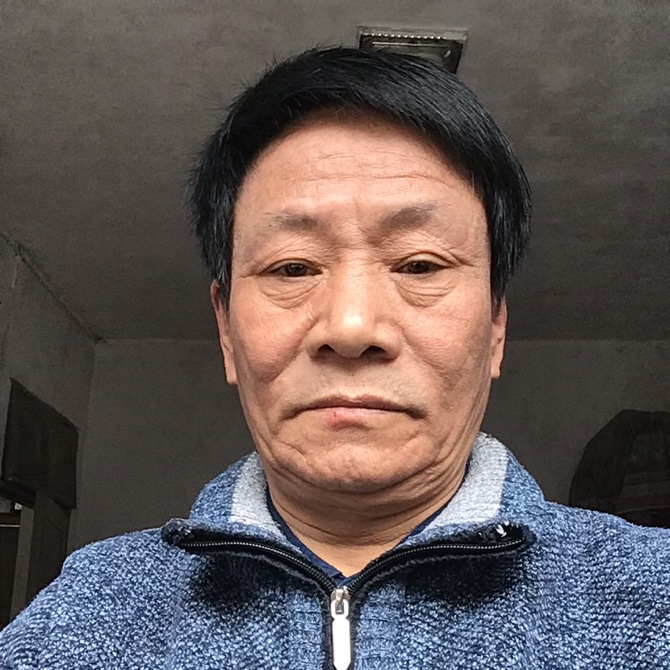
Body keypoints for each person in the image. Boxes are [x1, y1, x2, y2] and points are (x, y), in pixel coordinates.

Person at [1, 46, 668, 670]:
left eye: (419, 264)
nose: (351, 328)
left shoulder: (646, 597)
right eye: (292, 268)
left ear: (495, 328)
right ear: (227, 330)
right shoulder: (87, 614)